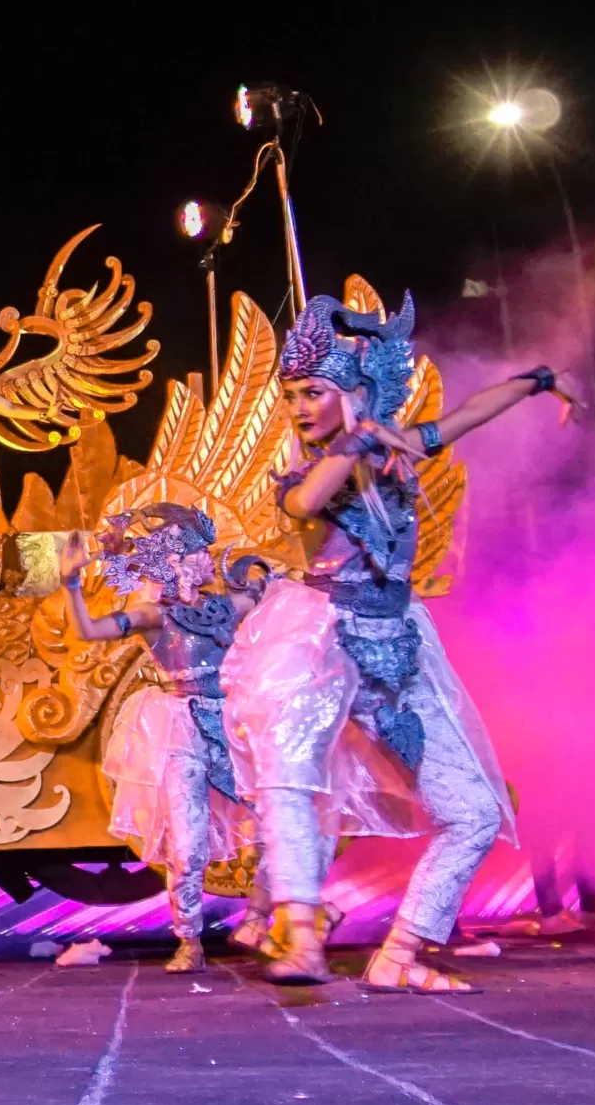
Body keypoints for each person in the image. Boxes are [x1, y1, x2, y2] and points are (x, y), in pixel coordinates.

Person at [222, 296, 568, 991]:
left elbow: (469, 414)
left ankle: (400, 953)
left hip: (398, 651)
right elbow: (304, 504)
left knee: (471, 812)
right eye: (291, 395)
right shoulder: (311, 468)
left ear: (353, 392)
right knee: (294, 783)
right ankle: (296, 934)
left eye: (312, 392)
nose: (297, 406)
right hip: (318, 644)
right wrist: (357, 438)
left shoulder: (400, 450)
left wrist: (538, 379)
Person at [62, 507, 267, 972]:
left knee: (281, 820)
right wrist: (72, 585)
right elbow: (88, 631)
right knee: (187, 844)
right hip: (180, 730)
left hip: (233, 725)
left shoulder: (225, 605)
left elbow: (276, 600)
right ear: (172, 563)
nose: (205, 561)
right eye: (196, 554)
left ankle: (266, 917)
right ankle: (189, 942)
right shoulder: (154, 615)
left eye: (205, 553)